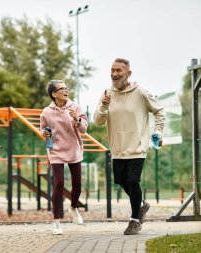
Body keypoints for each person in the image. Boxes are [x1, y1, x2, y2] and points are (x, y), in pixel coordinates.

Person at [93, 58, 165, 235]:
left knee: (133, 180)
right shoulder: (107, 94)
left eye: (119, 71)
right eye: (113, 70)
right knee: (122, 181)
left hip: (137, 147)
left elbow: (159, 111)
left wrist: (159, 132)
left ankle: (135, 220)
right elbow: (97, 121)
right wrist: (104, 106)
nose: (115, 74)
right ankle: (140, 204)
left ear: (128, 73)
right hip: (117, 149)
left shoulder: (140, 93)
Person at [40, 79, 88, 235]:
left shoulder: (75, 107)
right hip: (55, 150)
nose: (66, 91)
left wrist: (77, 119)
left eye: (67, 88)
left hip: (73, 149)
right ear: (54, 94)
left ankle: (73, 209)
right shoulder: (46, 112)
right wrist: (44, 133)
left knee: (78, 185)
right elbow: (43, 130)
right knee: (59, 183)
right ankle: (56, 222)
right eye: (62, 89)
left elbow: (83, 130)